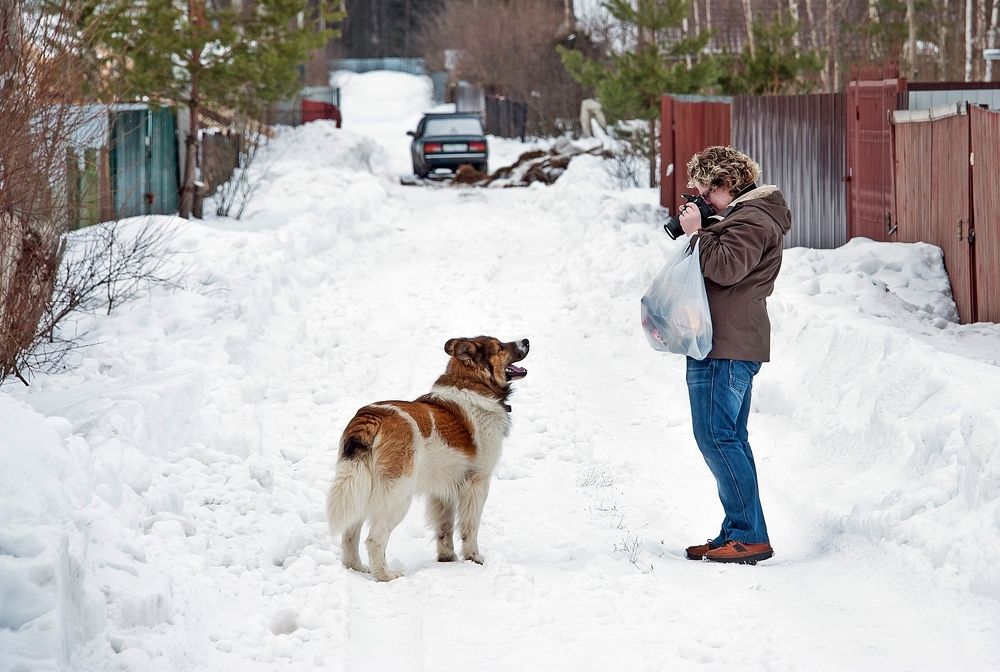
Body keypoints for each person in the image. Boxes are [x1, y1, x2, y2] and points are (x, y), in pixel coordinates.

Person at [676, 146, 791, 564]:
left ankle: (748, 535)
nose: (701, 200)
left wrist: (697, 233)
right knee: (728, 438)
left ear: (726, 185)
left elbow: (725, 268)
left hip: (727, 344)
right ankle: (738, 530)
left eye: (706, 191)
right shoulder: (743, 217)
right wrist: (707, 225)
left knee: (717, 437)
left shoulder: (754, 220)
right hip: (724, 340)